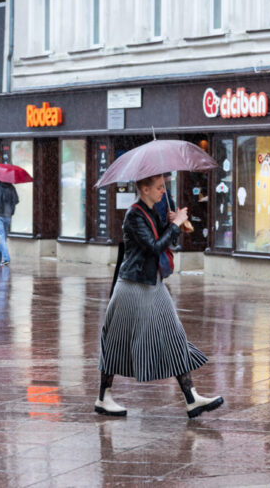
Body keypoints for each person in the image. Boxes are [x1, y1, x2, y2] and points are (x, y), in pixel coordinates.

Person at [96, 174, 223, 419]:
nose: (163, 191)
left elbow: (158, 242)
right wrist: (174, 227)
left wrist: (172, 224)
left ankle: (191, 398)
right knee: (116, 340)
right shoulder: (134, 215)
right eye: (158, 187)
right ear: (144, 189)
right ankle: (103, 397)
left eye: (163, 187)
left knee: (175, 335)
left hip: (153, 283)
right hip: (132, 286)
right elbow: (153, 247)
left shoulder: (152, 211)